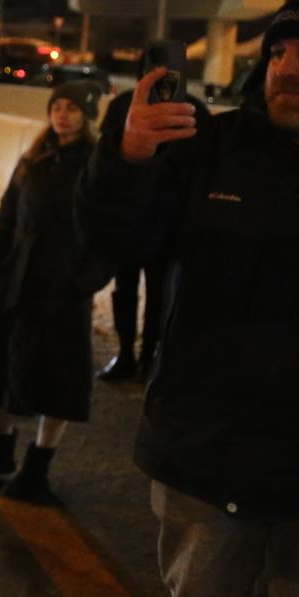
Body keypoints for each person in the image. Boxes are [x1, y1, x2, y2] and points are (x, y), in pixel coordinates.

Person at [76, 1, 299, 597]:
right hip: (208, 453)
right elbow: (115, 242)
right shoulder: (213, 151)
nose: (291, 68)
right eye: (284, 51)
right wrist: (129, 157)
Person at [0, 82, 113, 503]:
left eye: (71, 108)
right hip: (17, 278)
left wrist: (85, 280)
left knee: (58, 379)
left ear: (87, 116)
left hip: (62, 286)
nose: (62, 115)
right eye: (57, 107)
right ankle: (0, 451)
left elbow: (109, 232)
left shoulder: (95, 165)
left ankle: (38, 467)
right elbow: (8, 210)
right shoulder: (33, 159)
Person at [94, 45, 212, 382]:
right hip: (130, 218)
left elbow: (203, 172)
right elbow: (105, 160)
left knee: (162, 293)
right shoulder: (123, 107)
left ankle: (150, 357)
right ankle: (125, 353)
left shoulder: (196, 112)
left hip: (170, 224)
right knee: (125, 288)